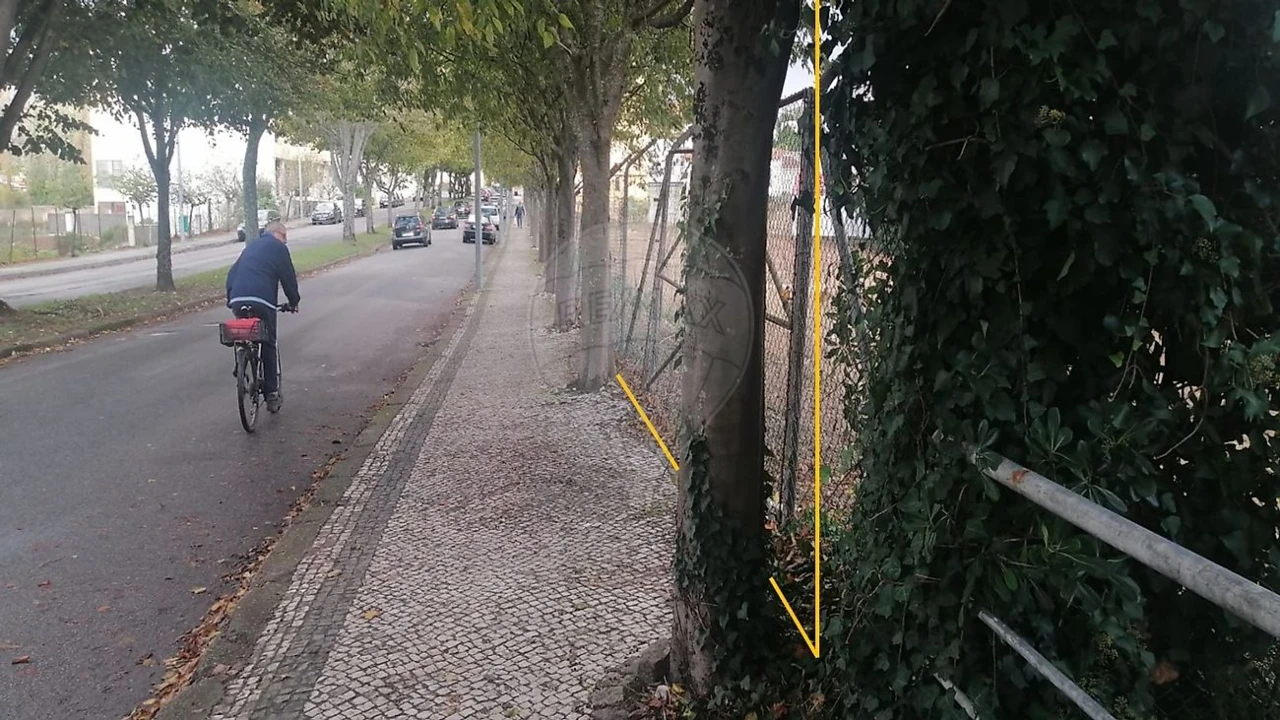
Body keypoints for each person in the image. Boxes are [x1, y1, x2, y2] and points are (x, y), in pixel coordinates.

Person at [225, 220, 300, 413]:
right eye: (285, 239)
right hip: (262, 300)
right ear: (280, 235)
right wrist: (293, 301)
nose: (285, 243)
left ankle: (241, 362)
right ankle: (272, 394)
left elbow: (232, 273)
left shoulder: (251, 247)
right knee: (268, 342)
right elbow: (288, 277)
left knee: (245, 331)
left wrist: (231, 299)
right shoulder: (278, 248)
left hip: (238, 298)